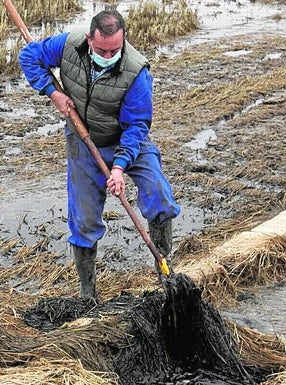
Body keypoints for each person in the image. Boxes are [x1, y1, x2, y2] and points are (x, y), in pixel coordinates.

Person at [18, 9, 181, 299]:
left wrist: (118, 168)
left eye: (114, 50)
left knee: (159, 195)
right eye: (101, 50)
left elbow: (137, 125)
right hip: (83, 140)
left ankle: (164, 273)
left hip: (126, 138)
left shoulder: (136, 71)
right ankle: (87, 293)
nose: (107, 56)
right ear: (90, 39)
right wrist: (52, 92)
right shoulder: (68, 45)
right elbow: (29, 57)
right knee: (84, 219)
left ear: (123, 41)